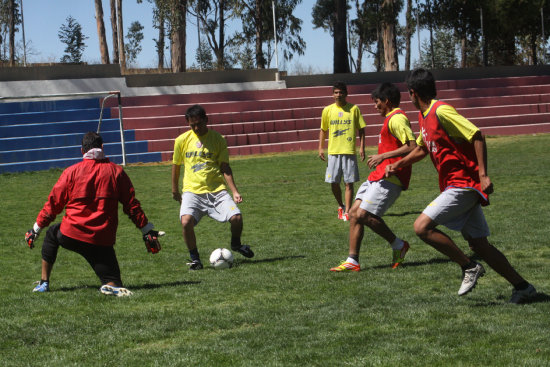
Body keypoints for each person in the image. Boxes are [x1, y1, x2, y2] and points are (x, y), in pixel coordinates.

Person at [386, 68, 536, 303]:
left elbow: (476, 134)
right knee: (479, 244)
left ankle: (468, 266)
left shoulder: (441, 110)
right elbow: (422, 148)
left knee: (421, 227)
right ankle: (523, 287)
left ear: (413, 93)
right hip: (453, 185)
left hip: (464, 184)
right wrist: (398, 164)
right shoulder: (424, 116)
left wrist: (483, 174)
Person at [25, 131, 163, 297]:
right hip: (101, 239)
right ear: (103, 147)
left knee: (52, 234)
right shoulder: (117, 172)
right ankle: (109, 285)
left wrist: (35, 230)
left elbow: (53, 205)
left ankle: (44, 283)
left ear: (82, 151)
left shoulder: (71, 172)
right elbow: (132, 206)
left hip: (72, 234)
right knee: (114, 283)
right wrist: (146, 231)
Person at [330, 82, 417, 272]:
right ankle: (352, 260)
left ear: (386, 101)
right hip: (378, 175)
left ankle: (398, 245)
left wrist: (383, 157)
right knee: (353, 213)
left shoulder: (397, 119)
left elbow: (412, 146)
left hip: (391, 177)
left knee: (363, 214)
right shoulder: (390, 119)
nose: (374, 105)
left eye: (377, 102)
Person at [172, 104, 254, 270]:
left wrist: (234, 191)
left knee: (237, 218)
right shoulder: (181, 140)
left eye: (199, 124)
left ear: (206, 120)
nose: (196, 128)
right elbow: (176, 166)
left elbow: (225, 167)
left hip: (217, 190)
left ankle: (236, 244)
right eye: (192, 125)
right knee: (185, 222)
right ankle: (195, 259)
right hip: (192, 191)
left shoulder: (218, 139)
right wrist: (174, 189)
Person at [319, 81, 366, 221]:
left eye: (341, 92)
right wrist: (321, 147)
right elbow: (323, 130)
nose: (338, 95)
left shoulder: (354, 109)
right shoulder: (327, 110)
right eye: (336, 92)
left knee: (348, 182)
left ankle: (348, 211)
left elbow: (361, 129)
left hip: (349, 151)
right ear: (332, 94)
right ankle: (341, 205)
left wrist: (362, 147)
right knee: (333, 182)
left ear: (346, 94)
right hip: (333, 152)